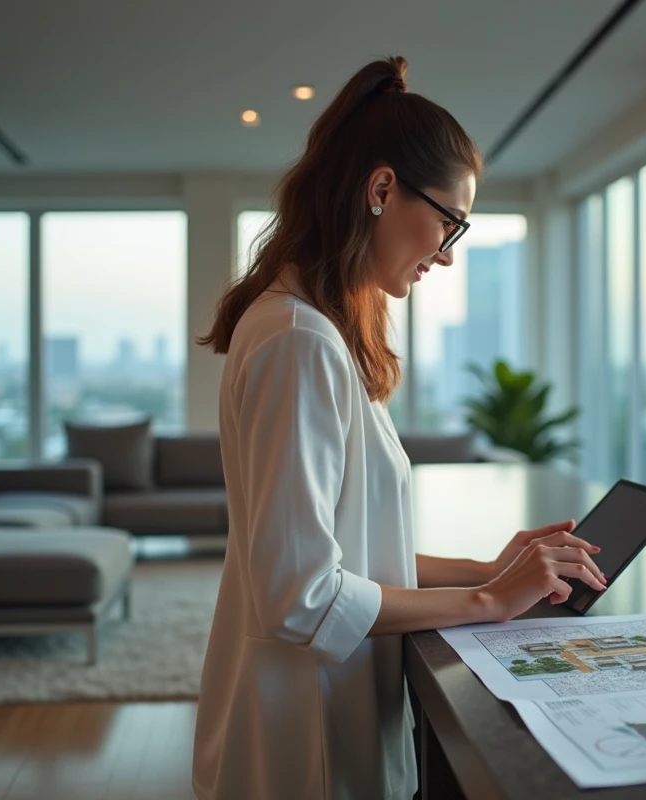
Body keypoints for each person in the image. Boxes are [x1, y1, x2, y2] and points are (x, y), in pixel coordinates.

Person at [191, 55, 606, 800]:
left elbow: (342, 545)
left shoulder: (317, 329)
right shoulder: (298, 341)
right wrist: (488, 603)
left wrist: (489, 570)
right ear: (382, 189)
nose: (447, 254)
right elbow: (301, 595)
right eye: (449, 221)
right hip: (303, 738)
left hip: (320, 709)